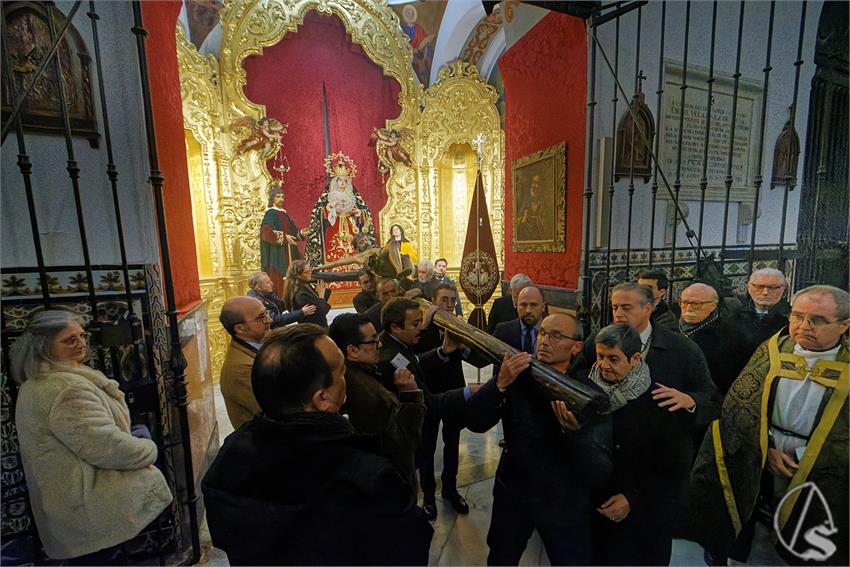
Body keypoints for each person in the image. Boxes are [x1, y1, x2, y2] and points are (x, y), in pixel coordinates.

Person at [202, 324, 433, 565]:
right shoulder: (364, 476)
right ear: (322, 398)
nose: (346, 380)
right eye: (342, 372)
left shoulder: (231, 452)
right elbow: (408, 547)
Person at [690, 285, 848, 566]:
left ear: (844, 325)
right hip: (764, 466)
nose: (804, 326)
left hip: (824, 478)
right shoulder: (773, 351)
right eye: (797, 316)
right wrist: (768, 447)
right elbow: (740, 410)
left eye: (818, 320)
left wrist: (804, 457)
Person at [10, 310, 172, 563]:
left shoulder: (42, 382)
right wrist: (147, 447)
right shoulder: (66, 389)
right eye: (69, 340)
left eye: (82, 336)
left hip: (75, 509)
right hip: (94, 513)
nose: (81, 344)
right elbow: (107, 447)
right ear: (43, 347)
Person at [575, 282, 719, 533]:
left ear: (648, 308)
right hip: (605, 469)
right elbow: (578, 378)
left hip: (653, 475)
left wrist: (691, 400)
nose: (619, 314)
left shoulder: (682, 349)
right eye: (615, 307)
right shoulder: (599, 341)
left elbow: (712, 399)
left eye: (627, 307)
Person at [467, 313, 606, 565]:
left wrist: (573, 433)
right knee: (501, 556)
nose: (544, 340)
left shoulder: (586, 394)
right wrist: (498, 385)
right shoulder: (516, 375)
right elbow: (476, 422)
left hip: (561, 498)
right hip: (514, 490)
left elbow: (598, 465)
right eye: (542, 332)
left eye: (556, 335)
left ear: (576, 346)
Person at [554, 324, 692, 565]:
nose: (604, 365)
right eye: (600, 356)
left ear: (635, 358)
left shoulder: (659, 400)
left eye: (613, 359)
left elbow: (674, 466)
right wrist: (570, 431)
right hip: (592, 509)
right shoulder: (581, 389)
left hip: (642, 518)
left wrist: (632, 497)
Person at [378, 297, 474, 521]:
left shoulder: (396, 343)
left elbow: (415, 363)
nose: (421, 327)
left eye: (421, 321)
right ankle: (428, 498)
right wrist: (470, 393)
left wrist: (443, 351)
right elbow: (428, 401)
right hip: (418, 419)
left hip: (438, 403)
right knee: (424, 457)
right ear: (395, 326)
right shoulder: (390, 356)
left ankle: (449, 491)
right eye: (415, 324)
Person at [415, 284, 490, 516]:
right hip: (429, 394)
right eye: (443, 300)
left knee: (452, 444)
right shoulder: (422, 328)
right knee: (426, 447)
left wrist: (464, 346)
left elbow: (480, 362)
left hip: (454, 393)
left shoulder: (458, 327)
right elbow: (414, 361)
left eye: (451, 300)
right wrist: (444, 351)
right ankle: (428, 496)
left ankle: (450, 488)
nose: (448, 305)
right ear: (433, 302)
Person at [328, 313, 425, 490]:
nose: (379, 344)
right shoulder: (368, 395)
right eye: (373, 341)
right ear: (352, 351)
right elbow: (402, 445)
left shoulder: (349, 376)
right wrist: (410, 396)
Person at [679, 282, 756, 396]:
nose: (689, 308)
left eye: (696, 303)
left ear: (713, 305)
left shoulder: (732, 335)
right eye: (684, 302)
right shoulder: (668, 328)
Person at [304, 154, 375, 270]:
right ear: (335, 182)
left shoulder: (353, 197)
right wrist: (329, 208)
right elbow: (320, 214)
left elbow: (364, 213)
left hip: (351, 227)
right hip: (334, 226)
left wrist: (358, 212)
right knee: (333, 250)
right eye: (339, 180)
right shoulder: (328, 196)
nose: (342, 183)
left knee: (354, 250)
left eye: (344, 181)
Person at [218, 296, 271, 429]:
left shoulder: (262, 341)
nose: (269, 320)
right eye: (261, 317)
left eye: (267, 313)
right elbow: (273, 411)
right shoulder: (240, 370)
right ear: (240, 328)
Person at [260, 184, 303, 297]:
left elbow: (293, 233)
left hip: (289, 251)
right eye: (278, 196)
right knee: (280, 278)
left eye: (282, 197)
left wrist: (302, 233)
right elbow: (265, 233)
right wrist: (284, 237)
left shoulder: (283, 213)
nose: (281, 199)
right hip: (278, 254)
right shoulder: (271, 213)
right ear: (272, 198)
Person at [734, 267, 791, 347]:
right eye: (759, 287)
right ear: (749, 288)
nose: (765, 293)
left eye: (772, 288)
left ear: (783, 289)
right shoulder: (734, 317)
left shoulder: (792, 319)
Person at [246, 271, 314, 328]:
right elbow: (274, 320)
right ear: (258, 287)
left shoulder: (268, 293)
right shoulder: (256, 302)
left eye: (270, 281)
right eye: (267, 282)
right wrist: (301, 312)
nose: (272, 284)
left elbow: (283, 306)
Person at [492, 285, 546, 354]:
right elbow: (481, 361)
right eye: (523, 305)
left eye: (534, 305)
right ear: (516, 306)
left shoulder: (553, 332)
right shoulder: (502, 331)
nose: (528, 311)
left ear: (543, 307)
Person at [283, 260, 331, 327]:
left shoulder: (305, 286)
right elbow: (321, 312)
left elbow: (319, 306)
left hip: (316, 327)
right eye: (306, 272)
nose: (310, 273)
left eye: (310, 270)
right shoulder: (301, 294)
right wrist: (321, 295)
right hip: (312, 330)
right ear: (298, 275)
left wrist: (323, 291)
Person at [517, 175, 547, 241]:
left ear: (542, 186)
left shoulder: (543, 202)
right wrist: (523, 218)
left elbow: (544, 223)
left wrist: (527, 218)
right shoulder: (528, 202)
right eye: (533, 182)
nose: (533, 186)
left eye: (536, 183)